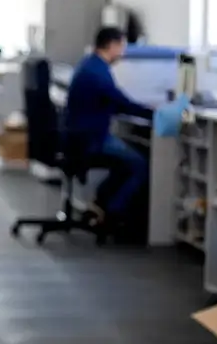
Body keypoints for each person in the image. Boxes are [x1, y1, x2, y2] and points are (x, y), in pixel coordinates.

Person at [64, 26, 153, 224]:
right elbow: (120, 101)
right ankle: (113, 215)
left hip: (82, 136)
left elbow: (112, 101)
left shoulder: (90, 64)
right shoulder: (97, 72)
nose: (123, 51)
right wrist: (154, 114)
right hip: (92, 139)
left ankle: (100, 204)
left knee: (125, 162)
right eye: (121, 46)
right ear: (111, 45)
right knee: (140, 164)